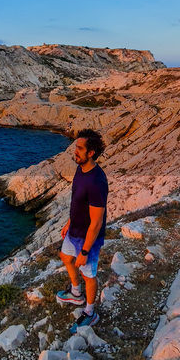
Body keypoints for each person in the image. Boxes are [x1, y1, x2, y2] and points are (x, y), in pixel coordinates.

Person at [55, 128, 108, 331]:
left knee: (89, 275)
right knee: (65, 257)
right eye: (75, 147)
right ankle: (76, 294)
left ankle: (90, 312)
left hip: (88, 237)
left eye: (79, 148)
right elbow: (77, 202)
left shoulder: (96, 182)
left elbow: (96, 222)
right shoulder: (81, 169)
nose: (74, 151)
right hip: (74, 229)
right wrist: (69, 223)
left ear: (91, 152)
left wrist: (85, 251)